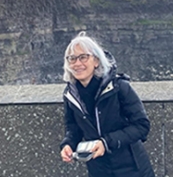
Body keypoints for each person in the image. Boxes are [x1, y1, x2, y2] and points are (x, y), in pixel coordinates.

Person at [60, 31, 155, 177]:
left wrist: (106, 143)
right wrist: (68, 144)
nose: (77, 63)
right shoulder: (70, 95)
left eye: (83, 57)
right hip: (99, 169)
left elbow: (142, 126)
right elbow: (73, 128)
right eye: (72, 59)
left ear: (96, 61)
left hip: (132, 168)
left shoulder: (119, 87)